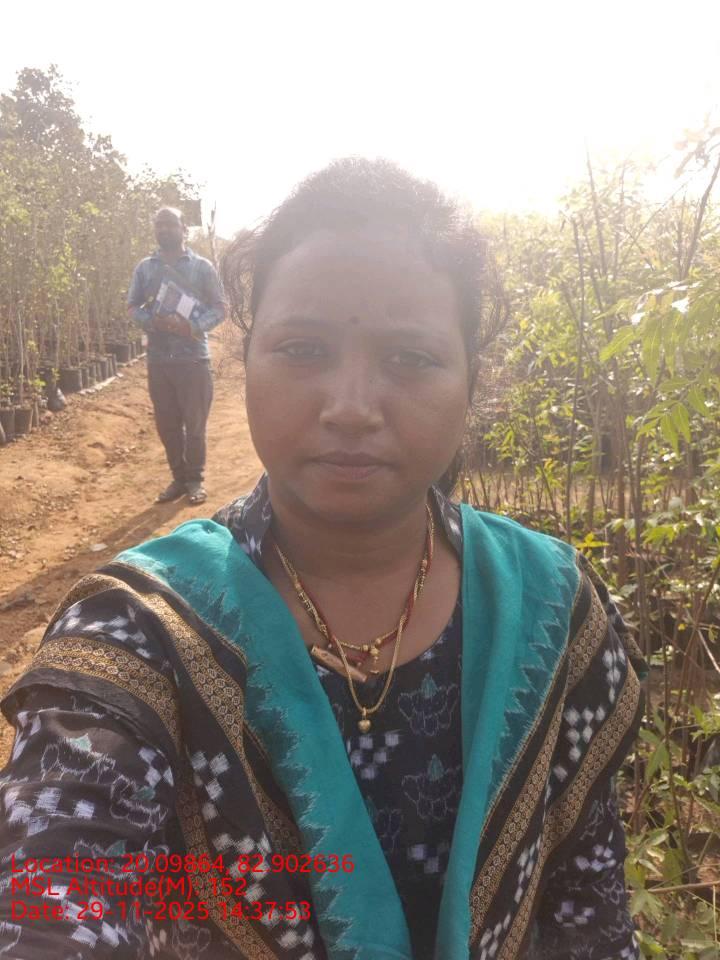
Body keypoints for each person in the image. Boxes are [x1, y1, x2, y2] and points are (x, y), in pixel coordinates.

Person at [0, 159, 646, 960]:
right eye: (303, 349)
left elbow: (589, 900)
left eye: (410, 358)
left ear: (470, 383)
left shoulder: (553, 607)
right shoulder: (140, 630)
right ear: (248, 364)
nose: (350, 406)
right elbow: (55, 887)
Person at [127, 206, 226, 505]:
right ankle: (178, 479)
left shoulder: (202, 268)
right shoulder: (145, 268)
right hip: (159, 359)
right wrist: (152, 322)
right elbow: (132, 306)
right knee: (167, 424)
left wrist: (191, 327)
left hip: (193, 358)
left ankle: (195, 479)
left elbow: (220, 308)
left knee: (194, 424)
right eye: (159, 224)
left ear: (184, 229)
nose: (164, 229)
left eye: (170, 224)